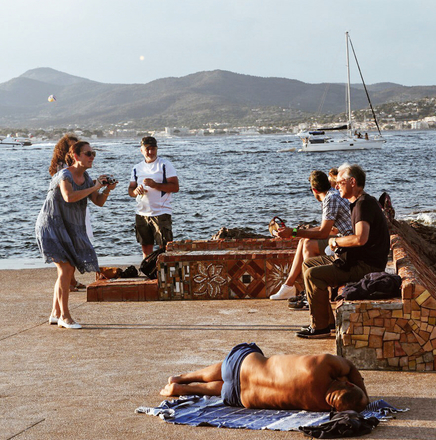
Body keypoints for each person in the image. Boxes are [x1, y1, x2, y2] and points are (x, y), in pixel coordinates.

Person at [296, 163, 390, 338]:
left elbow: (360, 238)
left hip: (366, 266)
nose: (336, 185)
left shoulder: (363, 204)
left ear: (352, 182)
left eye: (340, 182)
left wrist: (335, 242)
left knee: (313, 275)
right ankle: (327, 322)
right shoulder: (358, 203)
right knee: (308, 265)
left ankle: (320, 327)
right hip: (355, 260)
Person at [36, 141, 117, 329]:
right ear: (76, 156)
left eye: (93, 153)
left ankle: (55, 313)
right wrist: (95, 186)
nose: (92, 157)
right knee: (66, 270)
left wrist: (105, 190)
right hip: (51, 225)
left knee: (65, 271)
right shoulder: (64, 175)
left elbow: (98, 202)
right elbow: (69, 197)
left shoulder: (87, 178)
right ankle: (65, 316)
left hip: (67, 227)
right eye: (88, 153)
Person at [160, 344, 369, 413]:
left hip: (242, 365)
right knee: (223, 388)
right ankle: (188, 390)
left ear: (347, 383)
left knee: (229, 370)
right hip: (240, 397)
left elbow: (349, 366)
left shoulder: (323, 364)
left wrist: (363, 394)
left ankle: (184, 378)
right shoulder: (319, 406)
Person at [269, 170, 353, 300]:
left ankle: (314, 293)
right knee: (303, 241)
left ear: (314, 190)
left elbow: (324, 232)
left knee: (308, 244)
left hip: (350, 244)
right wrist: (296, 232)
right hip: (345, 238)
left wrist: (293, 232)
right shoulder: (334, 194)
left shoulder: (330, 199)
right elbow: (331, 229)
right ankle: (289, 286)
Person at [128, 136, 179, 259]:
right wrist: (136, 191)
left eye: (153, 149)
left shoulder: (165, 165)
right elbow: (130, 190)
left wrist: (155, 185)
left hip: (161, 212)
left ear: (157, 149)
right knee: (146, 247)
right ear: (141, 150)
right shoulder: (136, 168)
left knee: (165, 247)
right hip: (141, 213)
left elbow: (175, 187)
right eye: (147, 149)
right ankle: (149, 273)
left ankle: (165, 274)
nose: (150, 152)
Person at [49, 133, 87, 292]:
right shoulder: (62, 170)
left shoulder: (78, 170)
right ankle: (69, 282)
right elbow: (67, 195)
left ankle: (71, 280)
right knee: (68, 249)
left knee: (75, 244)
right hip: (65, 212)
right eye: (70, 147)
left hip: (76, 209)